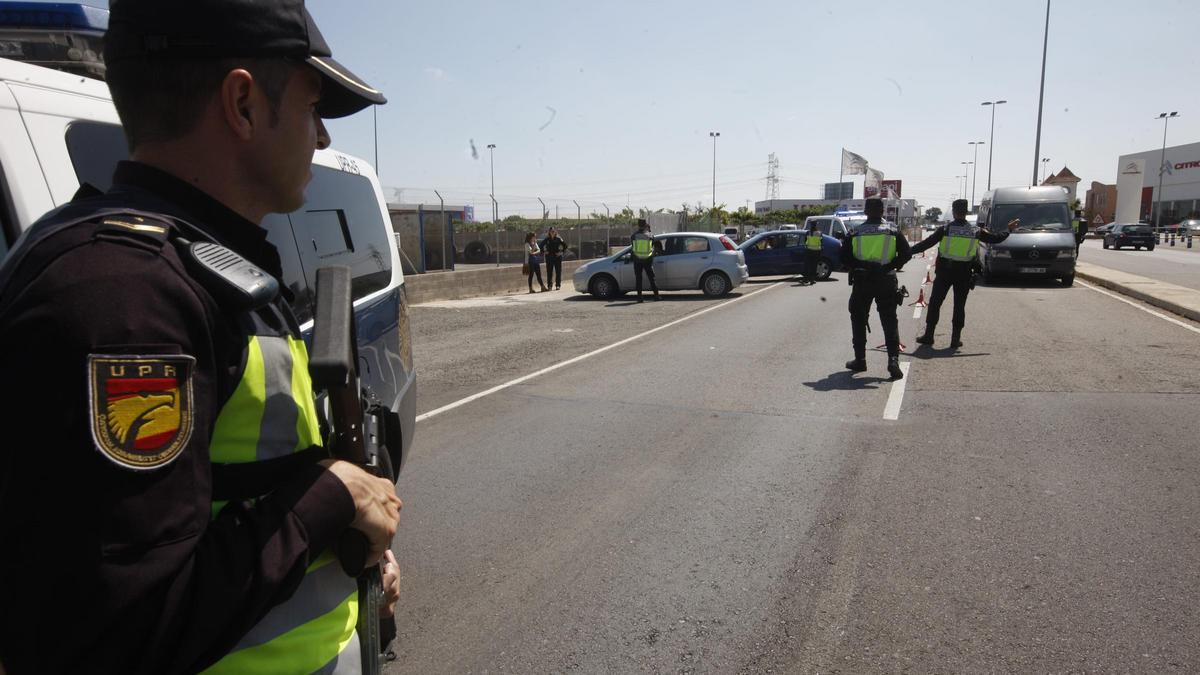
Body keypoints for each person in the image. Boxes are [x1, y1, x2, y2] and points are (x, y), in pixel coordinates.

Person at [0, 1, 404, 673]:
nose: (322, 137)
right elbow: (120, 631)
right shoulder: (125, 299)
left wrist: (347, 544)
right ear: (242, 104)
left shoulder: (200, 268)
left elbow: (245, 488)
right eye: (312, 107)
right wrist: (332, 497)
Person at [910, 199, 1018, 349]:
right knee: (959, 306)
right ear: (966, 212)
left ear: (954, 212)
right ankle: (955, 339)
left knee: (935, 303)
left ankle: (929, 336)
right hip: (964, 273)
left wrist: (906, 252)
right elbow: (996, 238)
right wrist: (1008, 229)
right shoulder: (975, 231)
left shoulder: (945, 229)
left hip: (945, 273)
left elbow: (925, 244)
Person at [841, 198, 911, 379]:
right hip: (886, 280)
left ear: (866, 211)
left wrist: (863, 265)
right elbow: (906, 254)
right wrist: (888, 266)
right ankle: (893, 360)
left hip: (863, 281)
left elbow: (844, 258)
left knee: (858, 319)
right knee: (889, 321)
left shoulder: (855, 232)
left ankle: (860, 360)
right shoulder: (893, 230)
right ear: (883, 212)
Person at [630, 218, 660, 302]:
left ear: (638, 225)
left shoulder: (634, 236)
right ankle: (656, 296)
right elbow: (653, 246)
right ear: (645, 225)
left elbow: (632, 247)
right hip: (648, 259)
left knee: (638, 279)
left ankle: (639, 298)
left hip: (637, 259)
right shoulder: (650, 235)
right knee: (651, 278)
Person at [802, 220, 823, 284]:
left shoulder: (808, 233)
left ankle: (806, 279)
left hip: (809, 251)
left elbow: (805, 242)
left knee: (808, 266)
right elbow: (821, 242)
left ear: (811, 225)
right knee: (814, 266)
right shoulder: (819, 233)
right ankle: (812, 280)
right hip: (816, 252)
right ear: (816, 225)